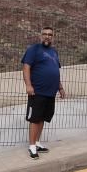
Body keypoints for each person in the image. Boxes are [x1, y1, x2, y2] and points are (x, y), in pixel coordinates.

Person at [21, 26, 66, 159]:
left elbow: (55, 71)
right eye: (45, 34)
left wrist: (60, 88)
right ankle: (32, 146)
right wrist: (28, 85)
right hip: (37, 91)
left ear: (53, 37)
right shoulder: (33, 50)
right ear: (41, 36)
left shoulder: (54, 52)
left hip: (50, 92)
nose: (47, 36)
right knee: (35, 119)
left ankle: (38, 142)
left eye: (50, 35)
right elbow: (26, 67)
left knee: (43, 119)